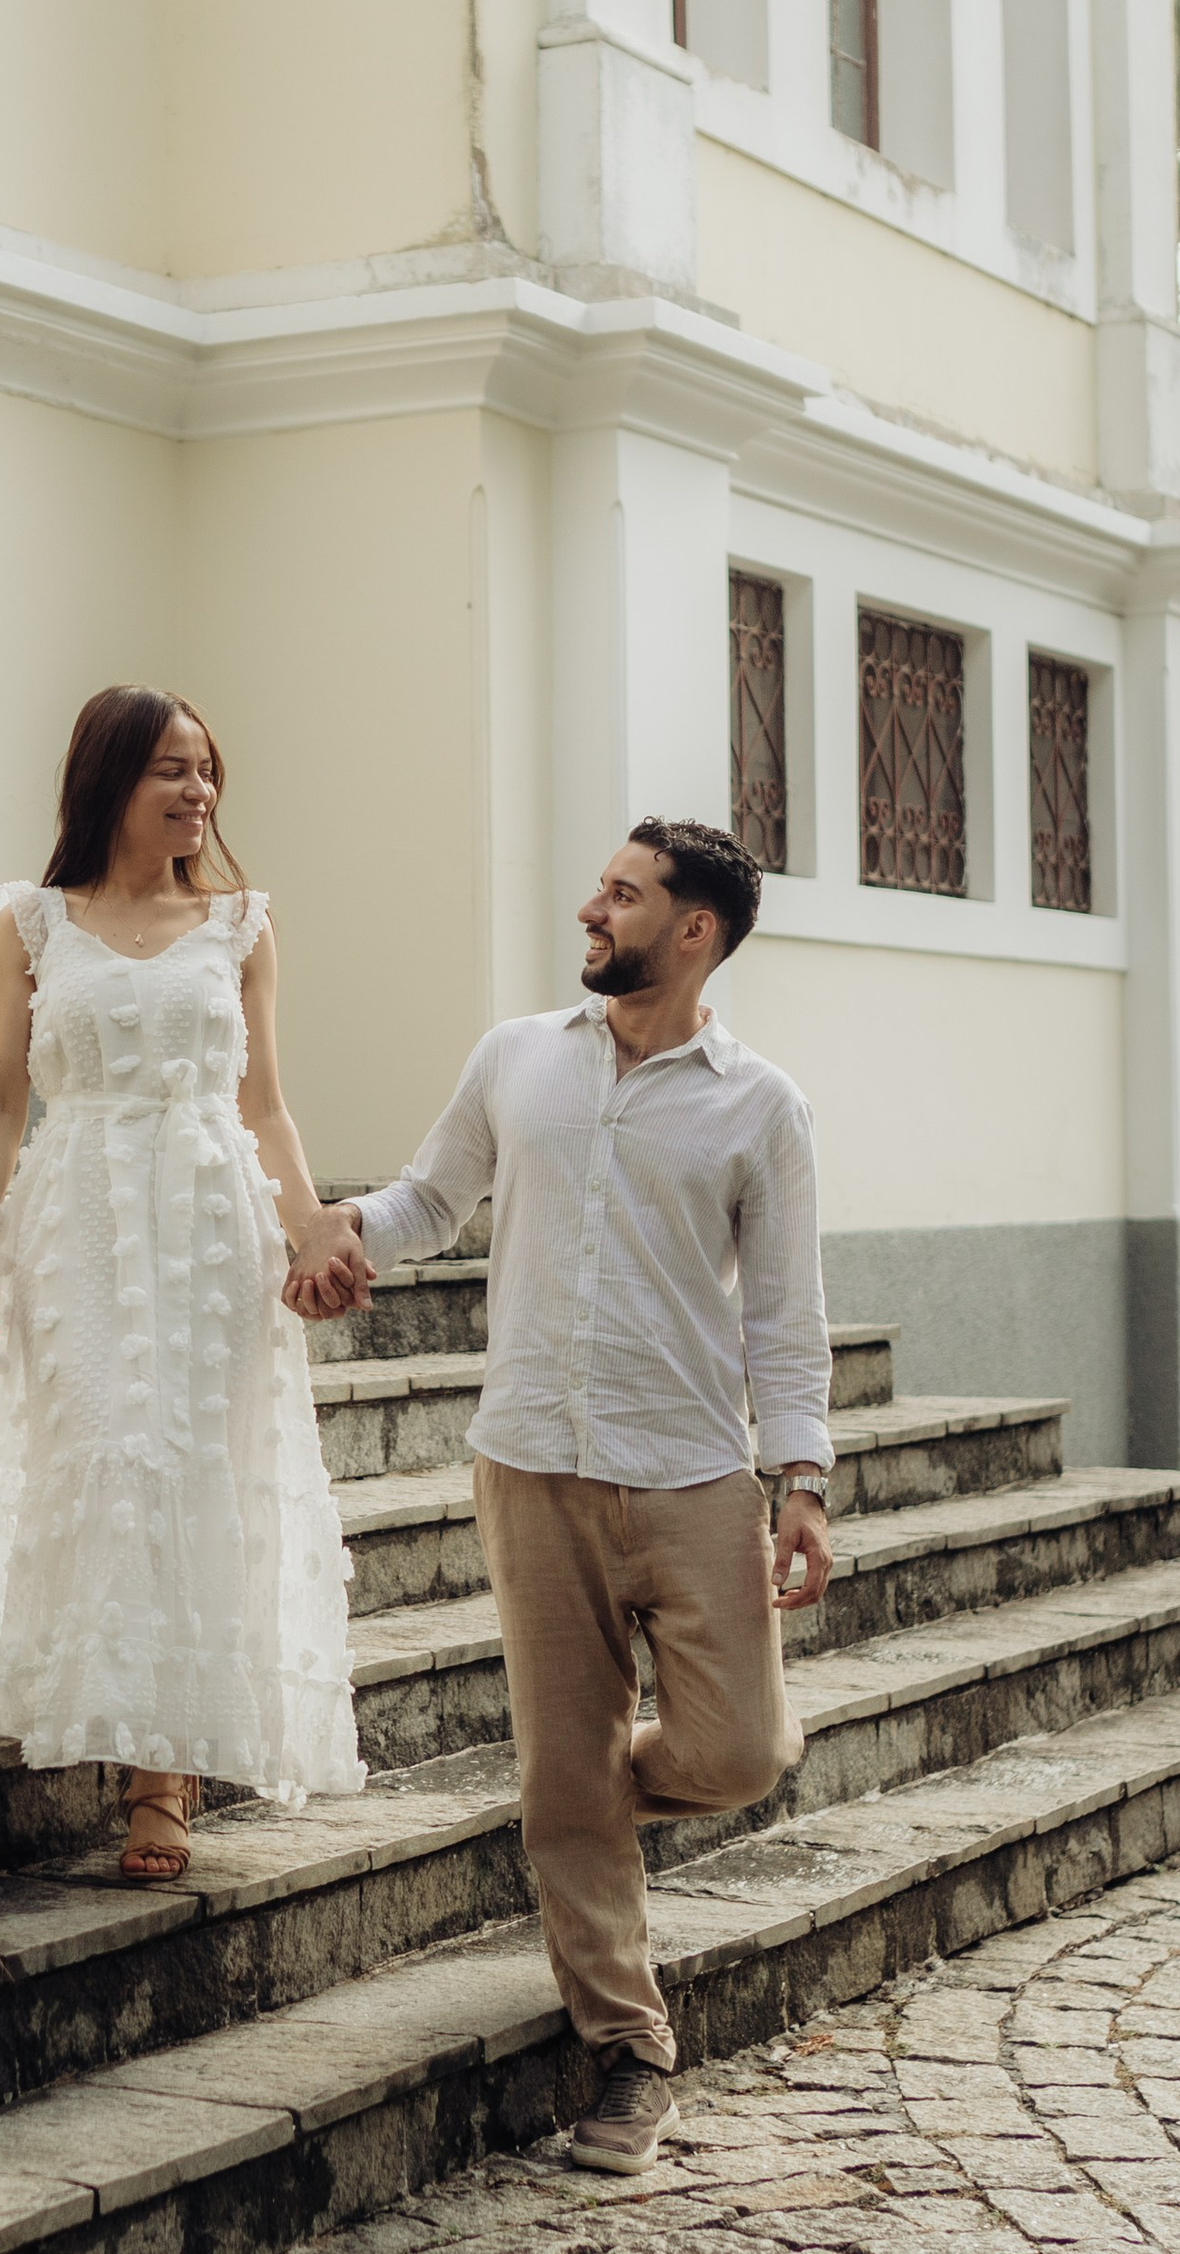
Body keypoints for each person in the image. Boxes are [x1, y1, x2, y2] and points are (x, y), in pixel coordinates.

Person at [285, 819, 832, 2175]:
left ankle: (568, 1806)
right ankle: (631, 2049)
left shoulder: (760, 1104)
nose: (592, 909)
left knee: (740, 1754)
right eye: (600, 886)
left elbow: (785, 1313)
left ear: (693, 931)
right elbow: (428, 1203)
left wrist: (803, 1478)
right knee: (564, 1768)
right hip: (528, 1462)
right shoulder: (517, 1058)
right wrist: (339, 1236)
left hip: (693, 1473)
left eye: (624, 895)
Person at [0, 684, 364, 1880]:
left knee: (191, 1455)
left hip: (205, 1217)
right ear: (109, 782)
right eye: (171, 771)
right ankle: (99, 1697)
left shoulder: (241, 924)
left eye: (207, 770)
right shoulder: (32, 922)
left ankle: (161, 1777)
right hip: (73, 1213)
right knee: (98, 1449)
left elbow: (265, 1104)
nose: (198, 792)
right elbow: (0, 1097)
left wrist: (312, 1231)